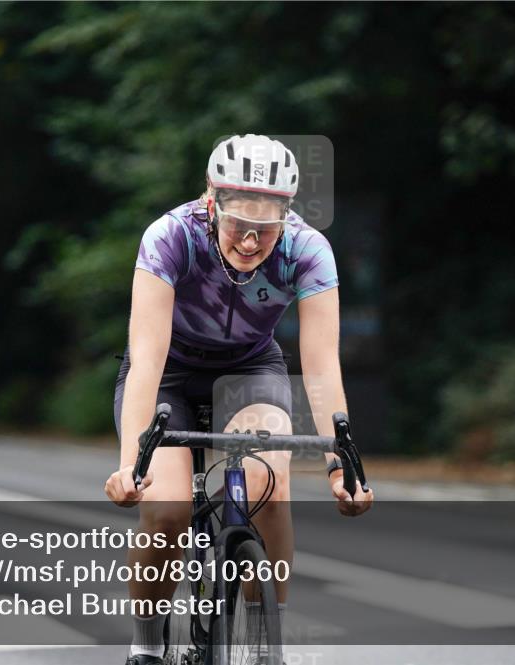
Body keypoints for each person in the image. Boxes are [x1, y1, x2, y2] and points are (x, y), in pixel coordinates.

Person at [105, 134, 373, 665]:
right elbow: (147, 359)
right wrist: (130, 466)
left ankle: (267, 643)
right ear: (211, 202)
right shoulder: (171, 236)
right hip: (169, 372)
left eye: (266, 227)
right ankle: (147, 644)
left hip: (250, 369)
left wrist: (341, 465)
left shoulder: (307, 249)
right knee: (167, 509)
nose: (250, 241)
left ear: (286, 215)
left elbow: (322, 365)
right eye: (238, 224)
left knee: (269, 488)